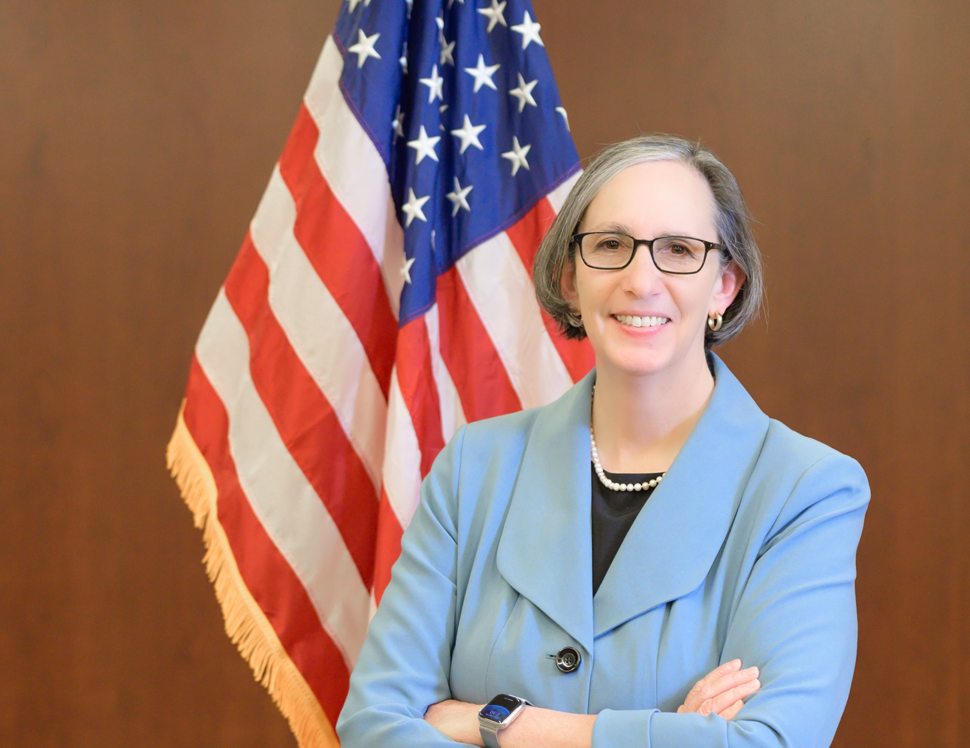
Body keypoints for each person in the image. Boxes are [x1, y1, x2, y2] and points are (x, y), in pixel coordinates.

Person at [336, 134, 869, 747]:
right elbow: (374, 729)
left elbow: (769, 744)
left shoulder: (805, 491)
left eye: (678, 250)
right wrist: (667, 735)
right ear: (569, 278)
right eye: (611, 245)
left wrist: (501, 725)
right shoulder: (474, 470)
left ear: (725, 286)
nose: (641, 280)